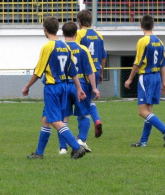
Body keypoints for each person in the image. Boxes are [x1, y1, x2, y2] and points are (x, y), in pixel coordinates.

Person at [22, 17, 87, 159]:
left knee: (54, 120)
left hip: (52, 87)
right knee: (46, 119)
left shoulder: (48, 46)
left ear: (45, 29)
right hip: (64, 85)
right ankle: (39, 153)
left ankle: (77, 147)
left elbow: (38, 72)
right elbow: (72, 71)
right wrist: (78, 88)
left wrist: (27, 86)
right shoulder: (65, 46)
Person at [124, 15, 165, 148]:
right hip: (156, 76)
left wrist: (129, 79)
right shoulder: (159, 41)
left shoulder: (143, 41)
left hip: (145, 77)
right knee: (149, 111)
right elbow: (163, 63)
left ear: (141, 26)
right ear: (153, 26)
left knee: (142, 111)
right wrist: (163, 82)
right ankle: (143, 141)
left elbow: (137, 62)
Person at [58, 21, 100, 155]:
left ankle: (63, 148)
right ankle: (81, 140)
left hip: (63, 85)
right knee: (84, 113)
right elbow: (90, 71)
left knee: (63, 117)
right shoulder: (83, 49)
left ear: (63, 34)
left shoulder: (59, 48)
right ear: (76, 34)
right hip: (80, 85)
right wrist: (94, 88)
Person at [76, 9, 107, 137]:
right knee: (88, 101)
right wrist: (101, 72)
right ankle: (97, 119)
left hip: (83, 73)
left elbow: (76, 52)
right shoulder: (99, 35)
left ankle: (81, 137)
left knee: (81, 103)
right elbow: (104, 56)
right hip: (96, 70)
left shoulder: (79, 34)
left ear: (79, 21)